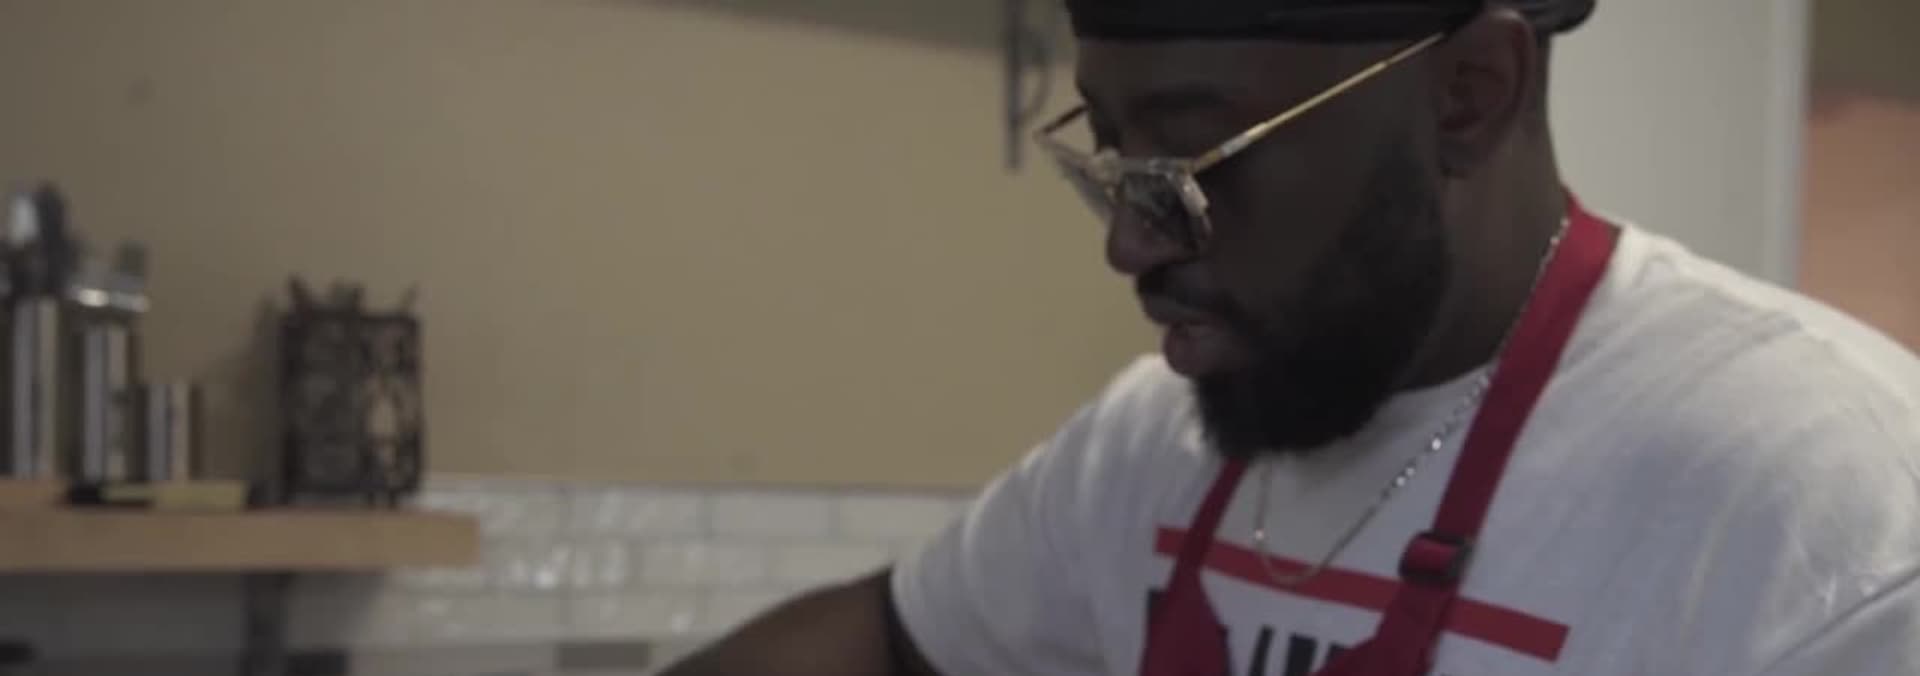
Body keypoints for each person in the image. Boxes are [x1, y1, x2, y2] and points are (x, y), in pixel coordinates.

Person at [663, 0, 1920, 674]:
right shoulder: (1147, 449)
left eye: (1192, 162)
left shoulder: (1822, 506)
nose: (1132, 245)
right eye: (1114, 160)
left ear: (1469, 95)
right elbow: (888, 642)